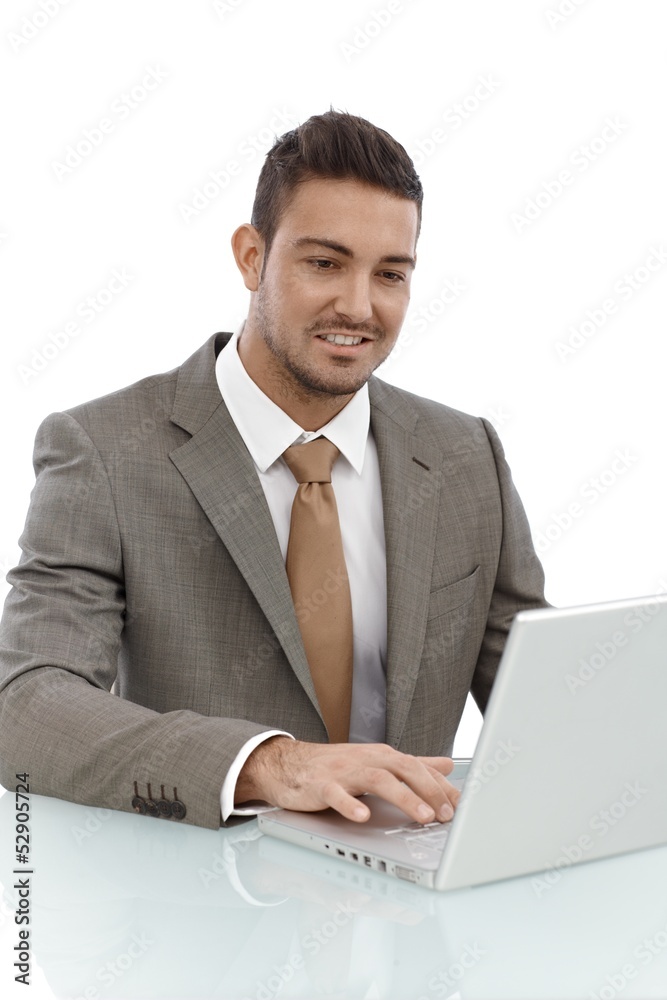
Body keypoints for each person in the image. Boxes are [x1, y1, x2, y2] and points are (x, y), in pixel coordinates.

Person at [0, 110, 547, 831]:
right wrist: (271, 764)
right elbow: (26, 708)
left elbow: (546, 697)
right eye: (324, 263)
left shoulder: (463, 455)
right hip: (205, 917)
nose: (358, 305)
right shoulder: (104, 451)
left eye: (389, 274)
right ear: (252, 257)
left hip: (414, 914)